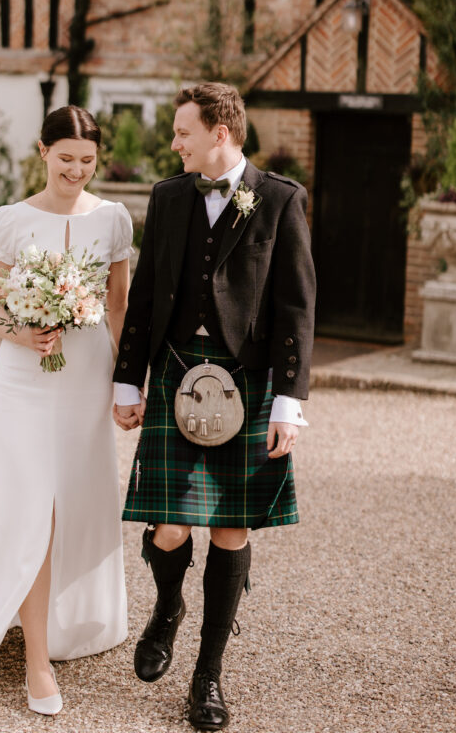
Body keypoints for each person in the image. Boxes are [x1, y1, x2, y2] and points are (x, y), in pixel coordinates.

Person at [113, 82, 316, 731]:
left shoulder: (280, 199)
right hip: (175, 376)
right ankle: (168, 606)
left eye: (181, 132)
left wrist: (288, 401)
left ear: (218, 133)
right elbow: (144, 293)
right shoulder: (169, 198)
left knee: (231, 530)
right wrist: (126, 380)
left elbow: (296, 308)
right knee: (169, 527)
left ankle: (207, 676)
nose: (172, 143)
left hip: (248, 383)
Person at [0, 105, 134, 715]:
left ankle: (63, 623)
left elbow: (122, 308)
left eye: (87, 161)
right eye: (66, 158)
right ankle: (37, 660)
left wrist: (128, 385)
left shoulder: (114, 219)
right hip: (23, 380)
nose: (76, 170)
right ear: (43, 151)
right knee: (32, 506)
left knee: (77, 500)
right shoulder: (12, 219)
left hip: (86, 380)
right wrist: (20, 333)